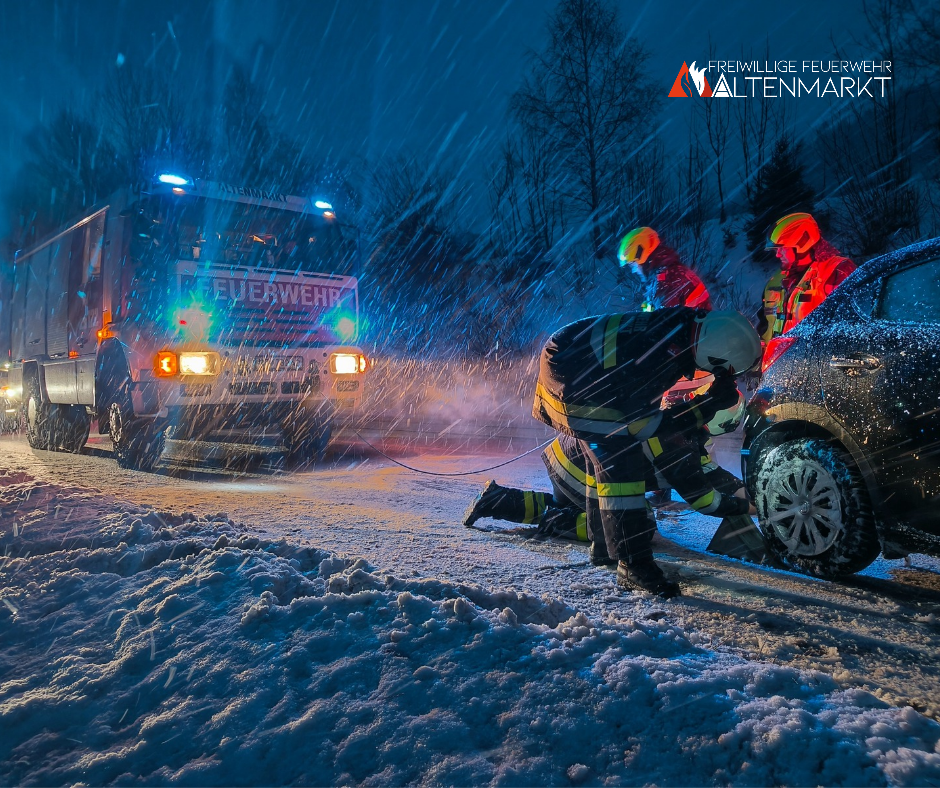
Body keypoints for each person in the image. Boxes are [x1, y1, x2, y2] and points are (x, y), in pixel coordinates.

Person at [530, 307, 762, 598]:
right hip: (573, 381)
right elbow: (643, 426)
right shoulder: (653, 362)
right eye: (720, 370)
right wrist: (706, 405)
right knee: (621, 464)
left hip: (569, 354)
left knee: (604, 454)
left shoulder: (682, 326)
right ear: (715, 359)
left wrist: (705, 403)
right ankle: (634, 566)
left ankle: (603, 546)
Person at [463, 397, 749, 549]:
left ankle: (496, 499)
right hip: (587, 471)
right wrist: (744, 506)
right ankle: (556, 521)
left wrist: (746, 491)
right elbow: (704, 500)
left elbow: (713, 473)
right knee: (638, 526)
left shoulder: (676, 419)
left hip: (565, 458)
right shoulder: (679, 443)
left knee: (570, 507)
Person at [758, 213, 857, 343]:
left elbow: (852, 323)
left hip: (817, 360)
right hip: (778, 360)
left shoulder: (836, 271)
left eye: (781, 249)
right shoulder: (777, 280)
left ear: (801, 243)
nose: (777, 255)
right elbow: (765, 327)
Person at [618, 226, 713, 311]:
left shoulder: (667, 279)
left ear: (642, 256)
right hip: (699, 328)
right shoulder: (668, 273)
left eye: (633, 264)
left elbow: (663, 323)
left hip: (695, 329)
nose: (634, 270)